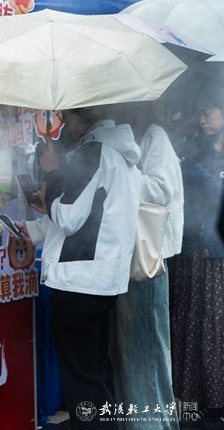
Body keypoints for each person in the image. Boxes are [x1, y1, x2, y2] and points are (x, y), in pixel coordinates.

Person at [18, 107, 141, 429]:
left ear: (82, 115)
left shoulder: (94, 152)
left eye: (67, 116)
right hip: (102, 276)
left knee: (81, 378)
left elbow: (70, 217)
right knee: (95, 369)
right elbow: (93, 214)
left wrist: (53, 174)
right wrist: (35, 229)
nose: (64, 123)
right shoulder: (121, 152)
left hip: (79, 279)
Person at [111, 103, 182, 430]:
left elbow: (161, 189)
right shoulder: (137, 139)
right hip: (129, 258)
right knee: (130, 350)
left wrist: (122, 172)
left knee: (146, 350)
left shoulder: (155, 137)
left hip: (147, 260)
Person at [170, 93, 224, 426]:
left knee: (213, 323)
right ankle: (192, 398)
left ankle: (216, 401)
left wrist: (192, 168)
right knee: (188, 322)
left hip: (216, 254)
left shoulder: (197, 160)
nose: (203, 119)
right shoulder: (193, 150)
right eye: (200, 114)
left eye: (209, 113)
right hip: (190, 250)